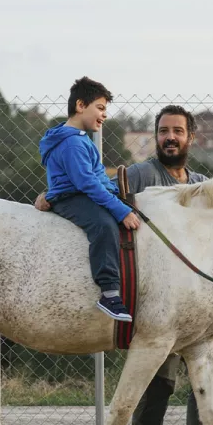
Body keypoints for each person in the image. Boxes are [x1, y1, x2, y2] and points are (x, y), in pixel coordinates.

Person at [35, 105, 213, 425]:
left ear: (192, 137)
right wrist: (54, 194)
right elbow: (96, 186)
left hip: (193, 306)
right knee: (158, 385)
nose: (169, 138)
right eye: (163, 131)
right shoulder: (140, 175)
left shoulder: (203, 185)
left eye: (177, 131)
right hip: (156, 303)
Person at [38, 76, 140, 322]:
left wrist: (120, 199)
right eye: (101, 108)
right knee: (103, 225)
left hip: (82, 192)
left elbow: (97, 180)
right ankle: (109, 292)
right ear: (81, 105)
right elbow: (87, 183)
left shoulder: (79, 139)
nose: (104, 115)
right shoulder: (72, 143)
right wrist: (120, 210)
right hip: (72, 198)